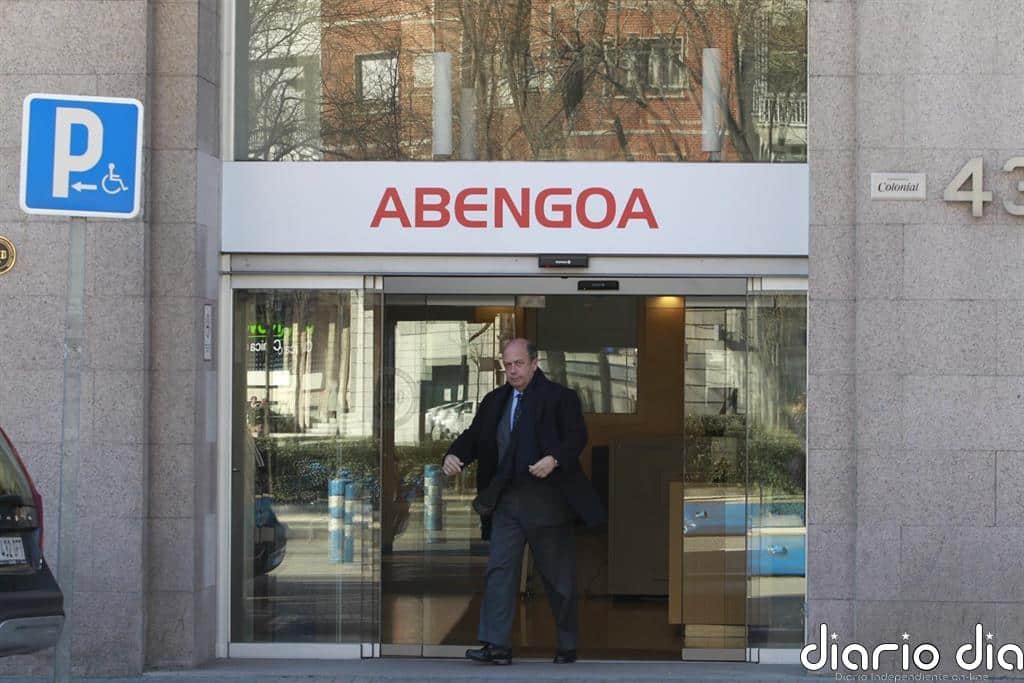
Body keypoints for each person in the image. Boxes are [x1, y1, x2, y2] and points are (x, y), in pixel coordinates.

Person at [442, 338, 605, 665]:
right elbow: (475, 436)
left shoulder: (560, 397)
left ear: (534, 363)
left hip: (547, 500)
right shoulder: (495, 400)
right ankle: (497, 646)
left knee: (558, 579)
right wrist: (454, 455)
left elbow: (577, 437)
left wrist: (554, 459)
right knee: (499, 571)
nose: (513, 370)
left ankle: (567, 644)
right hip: (506, 501)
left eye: (518, 364)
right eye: (508, 365)